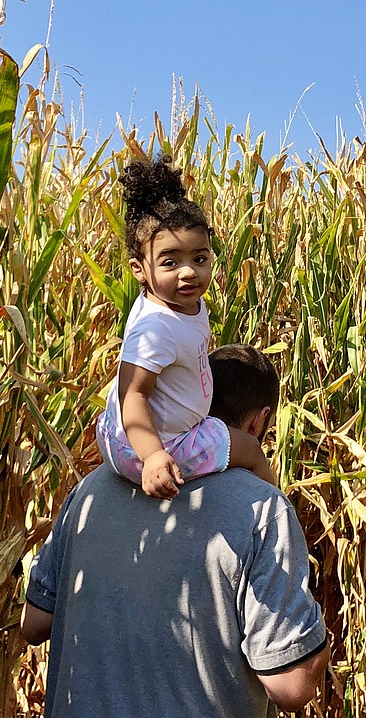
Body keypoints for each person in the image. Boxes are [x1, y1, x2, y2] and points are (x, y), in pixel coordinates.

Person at [21, 344, 329, 718]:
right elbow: (291, 685)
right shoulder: (261, 511)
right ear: (259, 422)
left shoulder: (92, 490)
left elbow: (34, 622)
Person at [96, 156, 274, 499]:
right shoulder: (157, 327)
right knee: (251, 450)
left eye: (199, 258)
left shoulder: (176, 302)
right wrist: (153, 457)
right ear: (139, 269)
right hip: (150, 446)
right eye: (170, 261)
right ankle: (279, 517)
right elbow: (132, 393)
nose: (188, 272)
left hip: (136, 434)